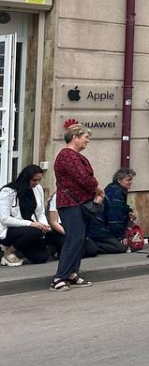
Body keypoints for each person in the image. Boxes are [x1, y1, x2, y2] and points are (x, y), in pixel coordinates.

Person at [52, 124, 103, 291]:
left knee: (80, 239)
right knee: (74, 239)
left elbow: (84, 179)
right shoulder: (67, 155)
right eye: (85, 137)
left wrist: (94, 194)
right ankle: (59, 277)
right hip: (70, 203)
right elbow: (83, 178)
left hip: (79, 203)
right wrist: (98, 188)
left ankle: (72, 273)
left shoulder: (74, 155)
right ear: (75, 137)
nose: (88, 140)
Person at [1, 165, 52, 265]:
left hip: (30, 230)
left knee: (41, 258)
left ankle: (19, 248)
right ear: (26, 178)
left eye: (39, 180)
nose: (37, 183)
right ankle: (8, 252)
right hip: (8, 230)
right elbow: (4, 219)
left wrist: (44, 225)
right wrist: (30, 224)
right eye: (34, 180)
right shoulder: (8, 191)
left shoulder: (37, 189)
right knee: (35, 231)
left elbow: (40, 212)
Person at [88, 168, 137, 254]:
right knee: (121, 248)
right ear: (119, 180)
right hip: (100, 229)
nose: (130, 182)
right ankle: (92, 245)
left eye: (131, 180)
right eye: (128, 180)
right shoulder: (116, 192)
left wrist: (128, 211)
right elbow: (115, 218)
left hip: (100, 227)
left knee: (123, 245)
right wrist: (120, 237)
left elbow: (120, 208)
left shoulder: (115, 189)